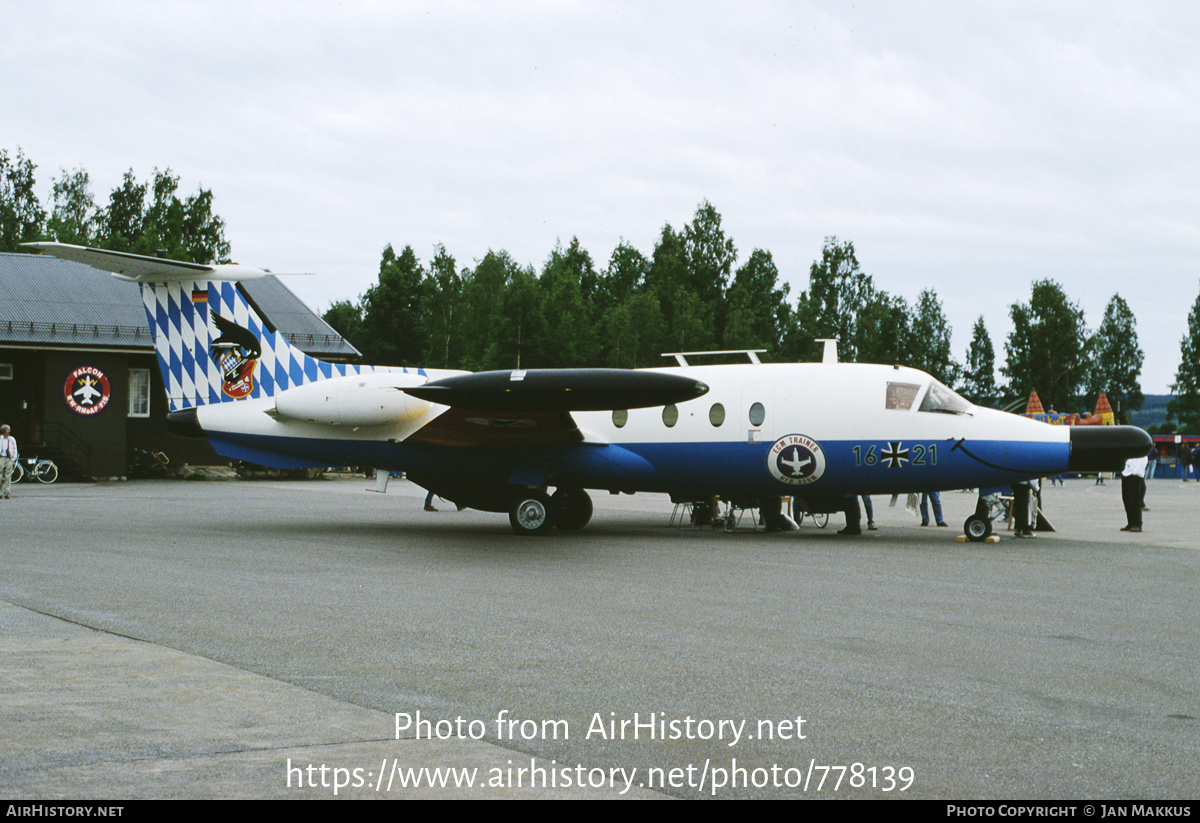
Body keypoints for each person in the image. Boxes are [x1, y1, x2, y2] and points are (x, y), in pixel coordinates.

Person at [1121, 454, 1147, 532]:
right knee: (1127, 499)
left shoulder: (1142, 452)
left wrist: (1135, 472)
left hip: (1135, 476)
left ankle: (1137, 524)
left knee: (1135, 500)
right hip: (1126, 473)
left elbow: (1141, 462)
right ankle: (1130, 522)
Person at [0, 425, 16, 500]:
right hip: (1, 458)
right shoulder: (0, 439)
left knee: (7, 476)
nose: (9, 431)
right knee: (0, 476)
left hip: (8, 458)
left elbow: (14, 448)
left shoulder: (11, 439)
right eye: (7, 429)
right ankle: (0, 492)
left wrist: (13, 458)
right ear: (4, 431)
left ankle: (7, 492)